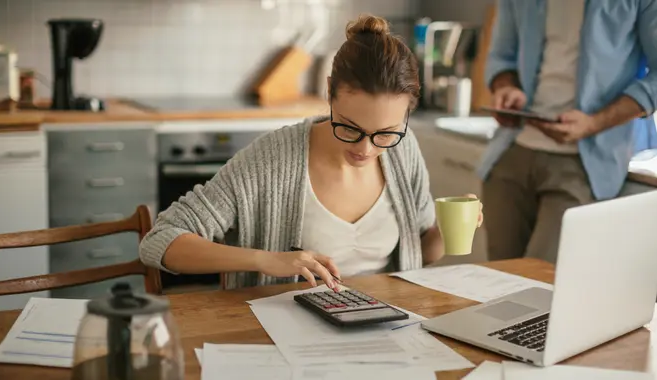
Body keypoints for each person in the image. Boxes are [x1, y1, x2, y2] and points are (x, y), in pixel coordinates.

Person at [139, 14, 483, 290]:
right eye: (350, 127)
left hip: (387, 325)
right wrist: (265, 260)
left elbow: (421, 252)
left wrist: (442, 229)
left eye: (385, 134)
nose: (366, 149)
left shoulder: (403, 150)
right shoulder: (273, 159)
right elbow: (160, 241)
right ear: (330, 91)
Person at [479, 0, 657, 264]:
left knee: (541, 290)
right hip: (511, 153)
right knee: (497, 285)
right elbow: (501, 57)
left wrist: (593, 123)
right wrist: (506, 87)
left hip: (584, 164)